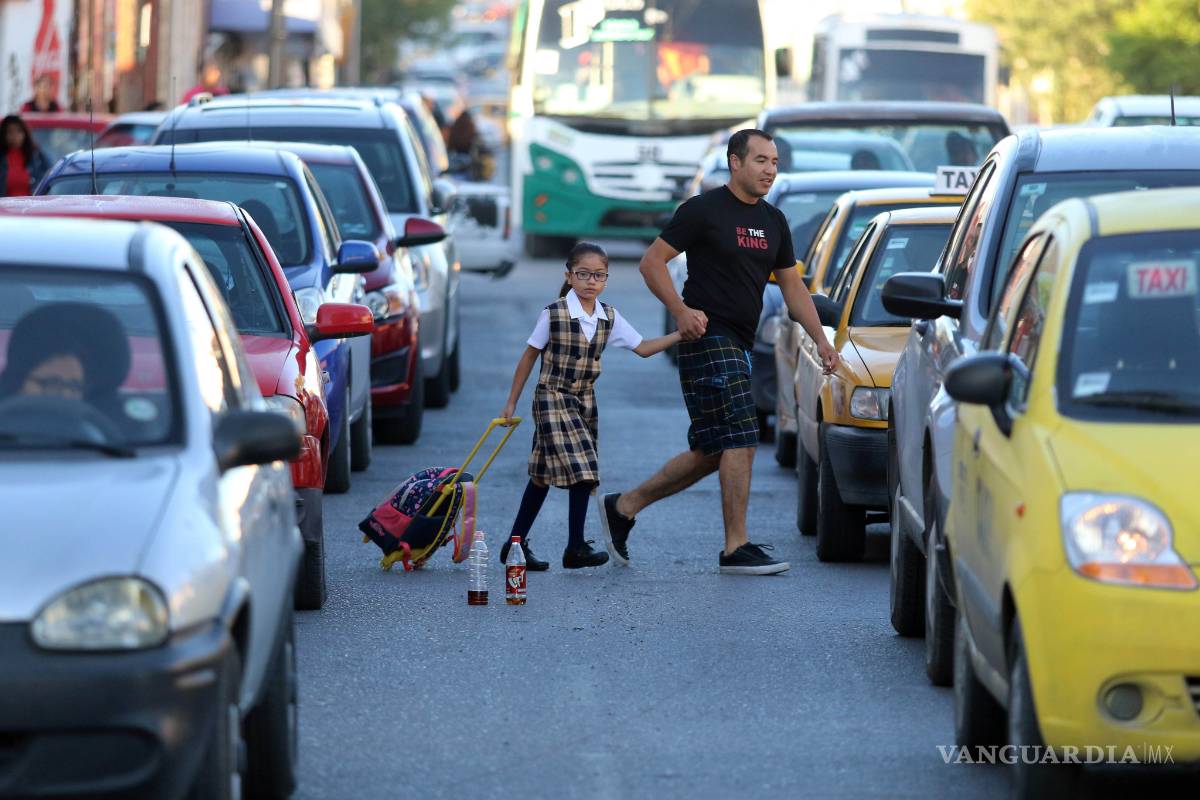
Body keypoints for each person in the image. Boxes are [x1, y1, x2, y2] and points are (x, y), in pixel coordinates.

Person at [598, 129, 839, 576]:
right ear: (735, 162)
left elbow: (793, 289)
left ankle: (623, 506)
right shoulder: (703, 210)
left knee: (714, 449)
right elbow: (651, 264)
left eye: (774, 162)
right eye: (761, 160)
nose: (769, 169)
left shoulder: (774, 222)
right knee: (743, 435)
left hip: (739, 343)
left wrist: (822, 340)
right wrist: (681, 311)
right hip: (706, 337)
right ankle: (735, 547)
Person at [498, 242, 683, 570]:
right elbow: (529, 356)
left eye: (598, 275)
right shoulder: (554, 313)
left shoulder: (607, 317)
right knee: (584, 472)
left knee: (541, 476)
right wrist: (511, 402)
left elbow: (642, 347)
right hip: (552, 397)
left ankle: (514, 546)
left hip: (583, 402)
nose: (590, 281)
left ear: (606, 279)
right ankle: (575, 547)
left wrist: (681, 335)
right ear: (569, 276)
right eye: (583, 274)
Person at [0, 115, 51, 197]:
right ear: (3, 135)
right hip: (4, 207)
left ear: (25, 133)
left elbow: (50, 172)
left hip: (31, 206)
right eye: (10, 132)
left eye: (19, 131)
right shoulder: (2, 157)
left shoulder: (35, 155)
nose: (14, 136)